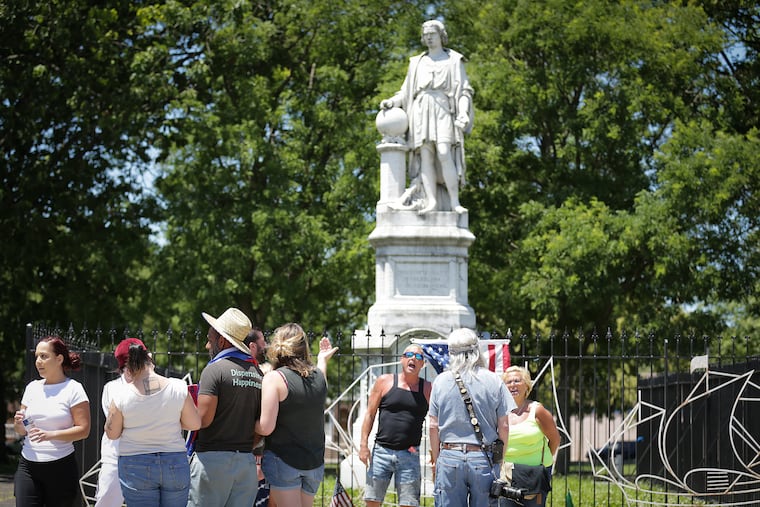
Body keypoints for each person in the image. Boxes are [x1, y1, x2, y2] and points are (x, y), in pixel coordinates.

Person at [381, 19, 474, 214]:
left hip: (442, 109)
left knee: (444, 152)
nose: (429, 37)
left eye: (432, 33)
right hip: (421, 110)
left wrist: (463, 112)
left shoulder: (454, 60)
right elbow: (406, 92)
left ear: (441, 36)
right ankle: (431, 201)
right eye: (426, 35)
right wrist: (392, 102)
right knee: (425, 157)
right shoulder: (417, 62)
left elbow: (464, 91)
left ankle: (454, 201)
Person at [104, 338, 201, 506]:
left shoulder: (120, 395)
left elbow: (112, 434)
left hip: (135, 464)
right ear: (149, 357)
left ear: (127, 369)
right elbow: (194, 424)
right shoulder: (178, 387)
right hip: (174, 462)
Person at [428, 328, 515, 506]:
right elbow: (504, 426)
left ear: (451, 353)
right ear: (477, 350)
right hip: (483, 457)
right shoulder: (494, 380)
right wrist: (499, 461)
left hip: (450, 455)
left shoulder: (440, 381)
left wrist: (437, 461)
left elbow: (432, 425)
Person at [187, 307, 263, 507]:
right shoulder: (257, 373)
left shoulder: (214, 370)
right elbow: (260, 424)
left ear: (222, 341)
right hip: (246, 462)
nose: (206, 345)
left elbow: (202, 420)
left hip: (212, 464)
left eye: (210, 340)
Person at [255, 324, 337, 507]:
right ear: (304, 347)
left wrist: (250, 424)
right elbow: (321, 372)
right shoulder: (319, 378)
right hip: (314, 463)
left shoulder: (274, 378)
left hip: (283, 461)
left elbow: (266, 427)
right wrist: (323, 359)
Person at [13, 336, 91, 507]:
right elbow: (22, 430)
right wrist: (19, 424)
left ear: (59, 359)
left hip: (61, 468)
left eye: (44, 356)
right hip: (28, 466)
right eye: (36, 357)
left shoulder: (73, 389)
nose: (38, 361)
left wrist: (51, 435)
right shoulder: (32, 388)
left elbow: (84, 430)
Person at [359, 345, 432, 507]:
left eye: (418, 357)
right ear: (402, 359)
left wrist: (435, 452)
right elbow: (370, 414)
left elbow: (436, 422)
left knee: (409, 503)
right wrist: (363, 445)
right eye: (409, 355)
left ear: (423, 364)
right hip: (381, 452)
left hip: (410, 453)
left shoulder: (427, 389)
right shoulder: (384, 381)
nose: (413, 358)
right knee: (372, 501)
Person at [94, 338, 146, 507]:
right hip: (115, 458)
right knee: (106, 502)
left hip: (144, 458)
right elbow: (116, 424)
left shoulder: (153, 385)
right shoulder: (112, 388)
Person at [501, 366, 561, 507]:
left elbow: (555, 439)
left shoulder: (537, 410)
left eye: (517, 380)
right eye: (508, 382)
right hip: (506, 474)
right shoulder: (499, 412)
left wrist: (541, 458)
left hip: (535, 475)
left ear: (527, 385)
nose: (513, 385)